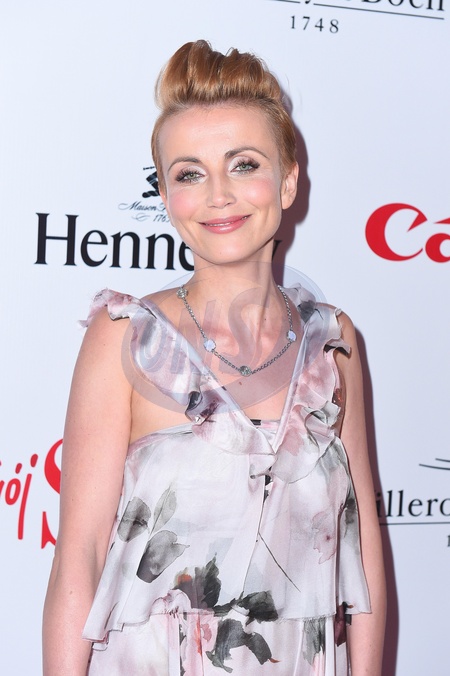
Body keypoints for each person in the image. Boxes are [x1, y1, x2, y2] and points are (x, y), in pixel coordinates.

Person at [43, 40, 386, 675]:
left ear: (288, 181)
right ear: (166, 195)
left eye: (244, 164)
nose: (219, 195)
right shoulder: (125, 338)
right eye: (190, 173)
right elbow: (79, 558)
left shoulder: (333, 344)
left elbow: (361, 549)